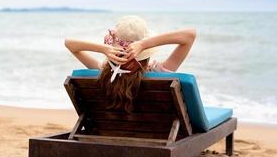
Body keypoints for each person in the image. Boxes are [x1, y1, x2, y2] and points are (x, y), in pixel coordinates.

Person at [65, 15, 196, 112]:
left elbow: (69, 44)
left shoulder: (103, 72)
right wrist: (143, 44)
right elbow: (190, 35)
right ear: (146, 53)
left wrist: (103, 49)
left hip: (113, 130)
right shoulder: (160, 73)